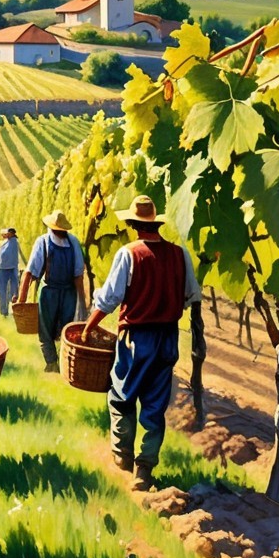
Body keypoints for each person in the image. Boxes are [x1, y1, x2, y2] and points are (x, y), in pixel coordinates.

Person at [81, 196, 200, 491]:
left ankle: (122, 458)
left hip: (137, 339)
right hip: (168, 338)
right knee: (155, 404)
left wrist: (88, 327)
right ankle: (144, 469)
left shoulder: (129, 253)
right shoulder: (179, 254)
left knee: (121, 396)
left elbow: (109, 299)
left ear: (133, 224)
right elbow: (190, 296)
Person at [17, 210, 89, 374]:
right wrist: (82, 302)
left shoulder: (43, 242)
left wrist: (21, 300)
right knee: (63, 329)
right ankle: (59, 364)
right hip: (66, 293)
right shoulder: (73, 243)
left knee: (47, 330)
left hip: (51, 293)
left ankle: (53, 364)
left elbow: (30, 272)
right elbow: (78, 275)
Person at [0, 227, 20, 317]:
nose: (8, 234)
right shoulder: (5, 242)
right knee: (3, 290)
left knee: (10, 291)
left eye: (9, 233)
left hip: (9, 269)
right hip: (2, 268)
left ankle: (8, 309)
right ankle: (3, 311)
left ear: (13, 234)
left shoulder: (13, 242)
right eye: (7, 233)